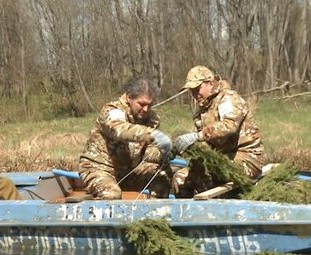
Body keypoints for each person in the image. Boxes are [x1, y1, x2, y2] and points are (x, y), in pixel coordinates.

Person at [172, 66, 263, 196]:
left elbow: (229, 126)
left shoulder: (228, 98)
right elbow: (207, 145)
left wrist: (199, 136)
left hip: (246, 158)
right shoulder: (202, 109)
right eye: (191, 91)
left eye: (197, 89)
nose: (194, 94)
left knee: (212, 176)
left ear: (210, 83)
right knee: (181, 178)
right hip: (220, 158)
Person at [78, 77, 173, 199]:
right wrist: (152, 134)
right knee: (111, 194)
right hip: (99, 169)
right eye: (142, 104)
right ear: (129, 97)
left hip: (129, 172)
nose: (145, 109)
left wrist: (165, 151)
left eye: (149, 105)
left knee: (162, 176)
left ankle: (154, 215)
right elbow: (119, 129)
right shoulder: (112, 111)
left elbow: (149, 156)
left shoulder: (152, 120)